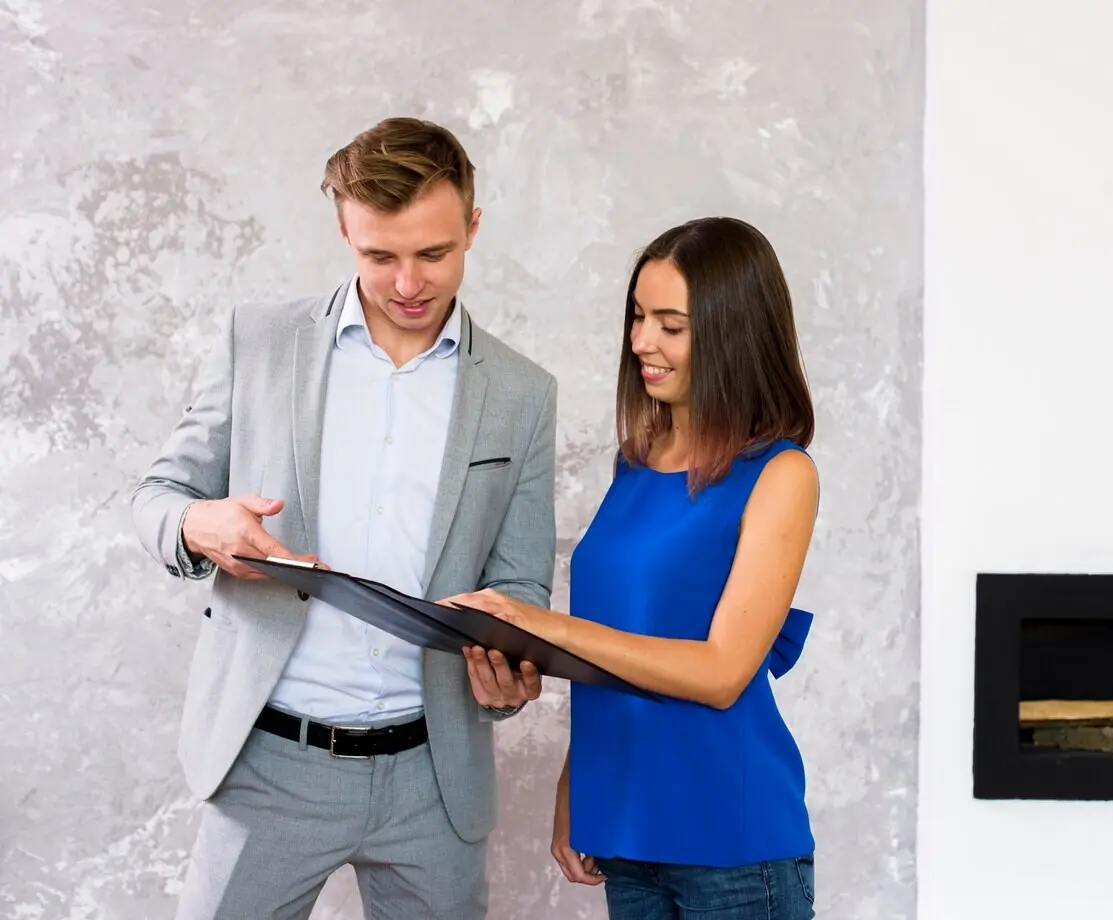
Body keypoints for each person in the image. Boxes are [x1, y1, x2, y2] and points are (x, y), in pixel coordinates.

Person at [130, 116, 553, 919]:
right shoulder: (257, 341)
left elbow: (520, 583)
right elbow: (156, 497)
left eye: (434, 254)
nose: (407, 283)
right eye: (378, 255)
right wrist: (202, 526)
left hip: (436, 782)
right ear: (342, 229)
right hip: (268, 763)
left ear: (473, 226)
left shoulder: (524, 394)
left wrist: (507, 675)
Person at [447, 216, 819, 919]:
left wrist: (542, 626)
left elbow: (719, 672)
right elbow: (615, 643)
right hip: (627, 830)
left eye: (670, 325)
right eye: (639, 317)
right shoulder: (635, 462)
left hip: (733, 844)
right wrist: (575, 788)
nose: (641, 341)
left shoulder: (782, 474)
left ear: (733, 332)